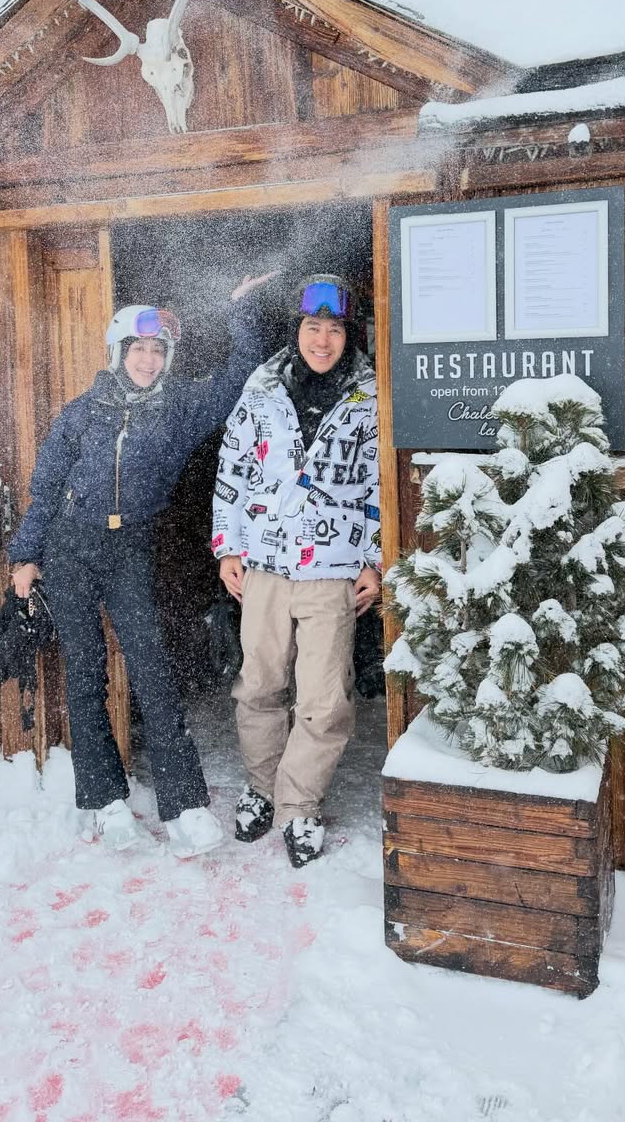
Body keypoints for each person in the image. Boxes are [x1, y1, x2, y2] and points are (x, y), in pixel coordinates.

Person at [9, 272, 276, 858]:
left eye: (157, 351)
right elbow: (47, 488)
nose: (149, 360)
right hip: (70, 550)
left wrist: (241, 309)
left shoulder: (180, 409)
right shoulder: (81, 414)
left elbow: (238, 377)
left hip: (130, 550)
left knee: (153, 671)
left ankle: (186, 805)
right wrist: (26, 555)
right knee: (85, 677)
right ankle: (103, 800)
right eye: (139, 350)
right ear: (119, 353)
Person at [212, 274, 381, 867]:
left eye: (335, 330)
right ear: (297, 330)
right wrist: (227, 548)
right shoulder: (259, 391)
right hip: (263, 563)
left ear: (348, 335)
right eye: (314, 328)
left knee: (324, 698)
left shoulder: (370, 396)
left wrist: (376, 559)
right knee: (258, 686)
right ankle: (262, 790)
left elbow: (381, 484)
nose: (324, 340)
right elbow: (231, 472)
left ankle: (298, 806)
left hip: (333, 570)